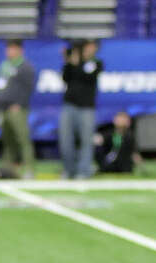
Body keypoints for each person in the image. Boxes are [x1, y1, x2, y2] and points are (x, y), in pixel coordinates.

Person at [60, 39, 102, 180]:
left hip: (87, 108)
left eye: (92, 47)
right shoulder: (73, 62)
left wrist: (76, 63)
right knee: (65, 139)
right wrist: (69, 62)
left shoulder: (96, 63)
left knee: (86, 141)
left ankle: (83, 171)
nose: (89, 49)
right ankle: (69, 170)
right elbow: (65, 78)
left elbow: (87, 77)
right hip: (69, 105)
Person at [0, 39, 35, 179]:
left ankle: (29, 169)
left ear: (19, 50)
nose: (9, 52)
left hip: (17, 109)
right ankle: (7, 171)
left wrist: (19, 103)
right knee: (7, 141)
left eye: (12, 49)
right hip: (3, 108)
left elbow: (28, 88)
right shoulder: (4, 66)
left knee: (23, 139)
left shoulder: (25, 66)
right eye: (8, 49)